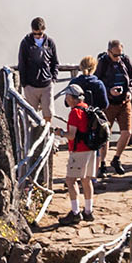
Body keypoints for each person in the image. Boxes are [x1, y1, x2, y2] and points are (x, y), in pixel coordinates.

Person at [53, 82, 101, 222]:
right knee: (86, 180)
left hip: (79, 151)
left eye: (68, 96)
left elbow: (72, 135)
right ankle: (88, 211)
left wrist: (60, 133)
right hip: (91, 150)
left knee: (70, 180)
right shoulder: (87, 109)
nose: (66, 99)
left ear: (73, 98)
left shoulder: (75, 113)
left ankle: (75, 213)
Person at [93, 40, 132, 173]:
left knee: (127, 133)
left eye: (120, 54)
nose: (118, 57)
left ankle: (116, 158)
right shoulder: (102, 62)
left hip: (124, 102)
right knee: (105, 135)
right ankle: (102, 163)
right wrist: (109, 90)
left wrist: (129, 92)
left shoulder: (125, 60)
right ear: (109, 52)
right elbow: (96, 81)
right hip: (108, 103)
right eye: (115, 55)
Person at [16, 18, 60, 123]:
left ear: (44, 30)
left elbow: (55, 62)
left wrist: (53, 79)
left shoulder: (50, 43)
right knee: (30, 118)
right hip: (31, 86)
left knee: (48, 115)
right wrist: (25, 84)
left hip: (46, 85)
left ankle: (47, 137)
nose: (38, 36)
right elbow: (22, 64)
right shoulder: (25, 43)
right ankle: (31, 139)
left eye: (40, 33)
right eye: (35, 34)